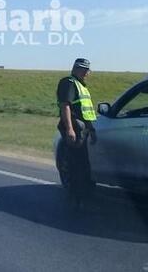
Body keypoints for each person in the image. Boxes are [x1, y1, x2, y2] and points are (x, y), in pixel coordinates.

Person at [57, 58, 97, 207]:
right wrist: (69, 129)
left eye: (88, 69)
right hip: (74, 126)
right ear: (75, 69)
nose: (87, 72)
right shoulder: (68, 83)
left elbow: (86, 111)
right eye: (84, 69)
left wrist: (91, 129)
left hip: (82, 128)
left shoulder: (81, 85)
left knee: (82, 163)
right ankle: (75, 195)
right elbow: (65, 106)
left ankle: (83, 192)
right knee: (75, 163)